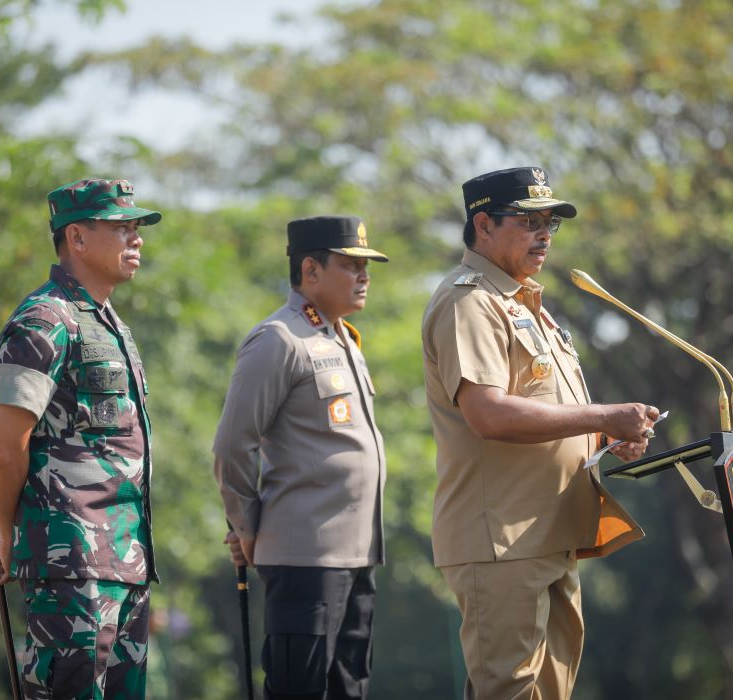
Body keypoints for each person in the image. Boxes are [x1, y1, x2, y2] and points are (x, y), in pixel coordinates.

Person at [421, 167, 660, 700]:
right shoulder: (470, 302)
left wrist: (607, 439)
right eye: (529, 221)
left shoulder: (527, 305)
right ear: (483, 224)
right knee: (509, 691)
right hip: (501, 539)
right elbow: (489, 414)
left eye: (550, 221)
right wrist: (602, 416)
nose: (545, 234)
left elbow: (549, 414)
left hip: (550, 533)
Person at [0, 178, 162, 699]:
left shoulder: (108, 323)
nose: (136, 238)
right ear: (76, 238)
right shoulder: (44, 319)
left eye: (137, 227)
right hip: (70, 571)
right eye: (121, 227)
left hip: (124, 566)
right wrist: (13, 536)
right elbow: (0, 447)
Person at [213, 215, 389, 700]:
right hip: (305, 556)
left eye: (366, 266)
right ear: (310, 270)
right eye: (351, 264)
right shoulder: (278, 339)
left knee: (348, 690)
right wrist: (247, 528)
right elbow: (232, 445)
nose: (364, 276)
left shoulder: (343, 339)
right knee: (300, 691)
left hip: (357, 555)